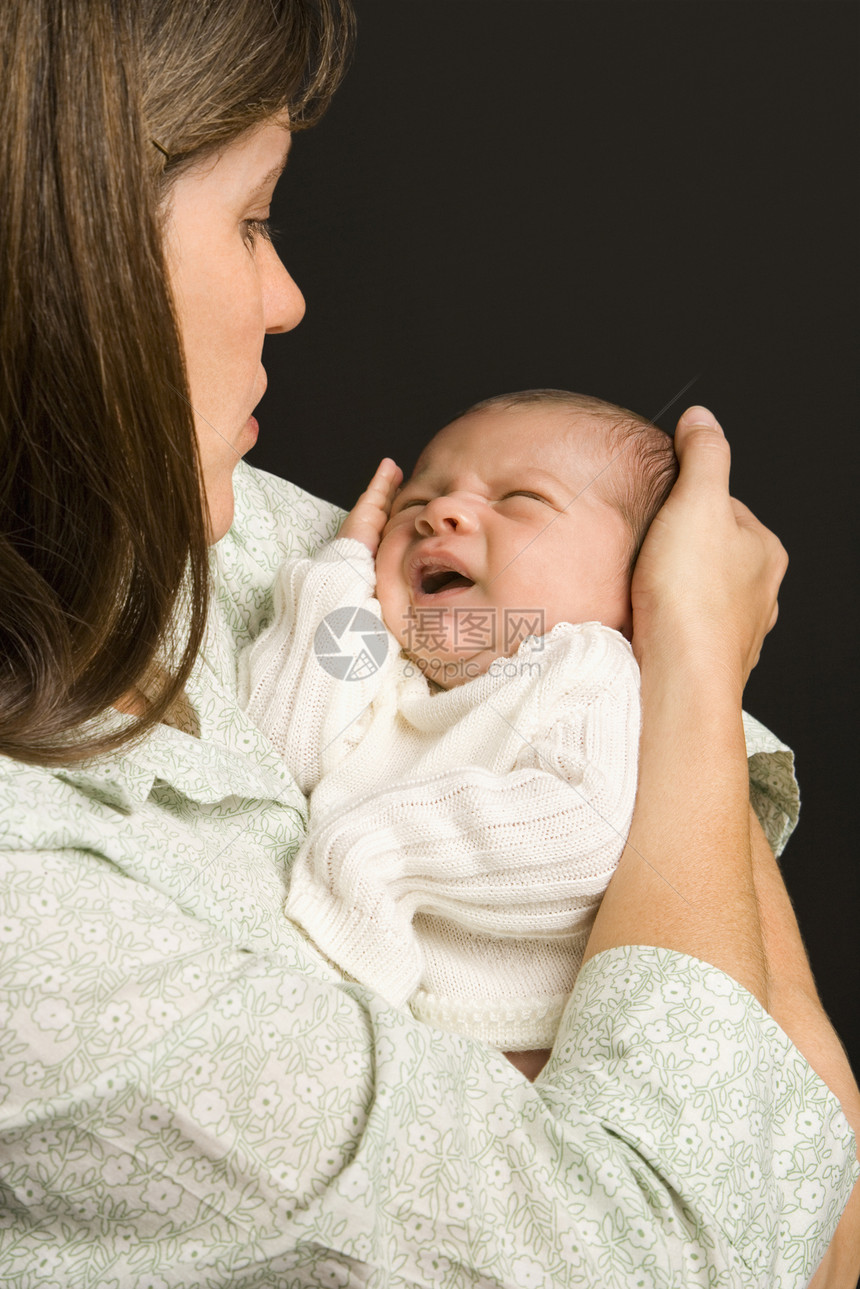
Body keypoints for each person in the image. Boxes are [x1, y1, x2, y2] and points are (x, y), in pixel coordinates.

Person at [0, 2, 858, 1285]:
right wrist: (687, 658)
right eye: (249, 219)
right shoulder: (43, 927)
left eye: (519, 502)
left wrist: (668, 666)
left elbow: (822, 1201)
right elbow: (688, 1250)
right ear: (74, 254)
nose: (286, 297)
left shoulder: (200, 532)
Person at [240, 390, 798, 1068]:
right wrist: (342, 571)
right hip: (375, 1033)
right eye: (414, 504)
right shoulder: (384, 665)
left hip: (526, 1045)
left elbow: (585, 825)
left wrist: (377, 850)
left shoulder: (586, 668)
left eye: (520, 502)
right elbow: (275, 751)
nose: (440, 514)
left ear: (634, 582)